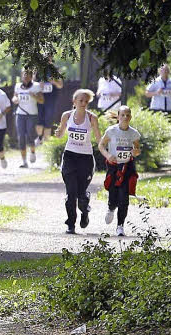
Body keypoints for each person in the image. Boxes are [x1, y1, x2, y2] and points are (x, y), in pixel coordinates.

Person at [55, 89, 102, 234]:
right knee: (71, 194)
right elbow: (61, 132)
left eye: (86, 101)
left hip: (85, 159)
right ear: (74, 101)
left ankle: (85, 211)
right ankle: (71, 224)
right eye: (80, 100)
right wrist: (58, 133)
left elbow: (99, 138)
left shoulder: (92, 118)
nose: (83, 103)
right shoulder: (66, 115)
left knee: (81, 195)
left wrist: (108, 151)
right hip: (70, 156)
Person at [98, 106, 142, 237]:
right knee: (113, 194)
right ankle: (111, 208)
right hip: (113, 167)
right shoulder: (111, 131)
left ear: (131, 117)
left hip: (127, 167)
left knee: (124, 198)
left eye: (128, 115)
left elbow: (137, 149)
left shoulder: (134, 133)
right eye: (122, 115)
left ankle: (120, 226)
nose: (125, 117)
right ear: (118, 117)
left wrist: (136, 152)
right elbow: (101, 145)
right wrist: (108, 155)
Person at [11, 69, 43, 168]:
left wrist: (34, 96)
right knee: (21, 137)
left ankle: (33, 151)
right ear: (21, 76)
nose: (25, 76)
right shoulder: (17, 86)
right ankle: (24, 161)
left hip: (32, 114)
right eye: (24, 75)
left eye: (28, 75)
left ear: (31, 76)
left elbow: (42, 100)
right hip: (20, 114)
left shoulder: (36, 86)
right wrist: (15, 99)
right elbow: (14, 97)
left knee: (30, 134)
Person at [34, 67, 64, 145]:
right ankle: (39, 138)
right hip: (40, 98)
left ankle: (46, 142)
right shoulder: (37, 70)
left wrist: (53, 81)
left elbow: (60, 85)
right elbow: (32, 83)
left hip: (51, 99)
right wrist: (39, 84)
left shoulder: (56, 71)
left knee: (48, 120)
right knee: (39, 119)